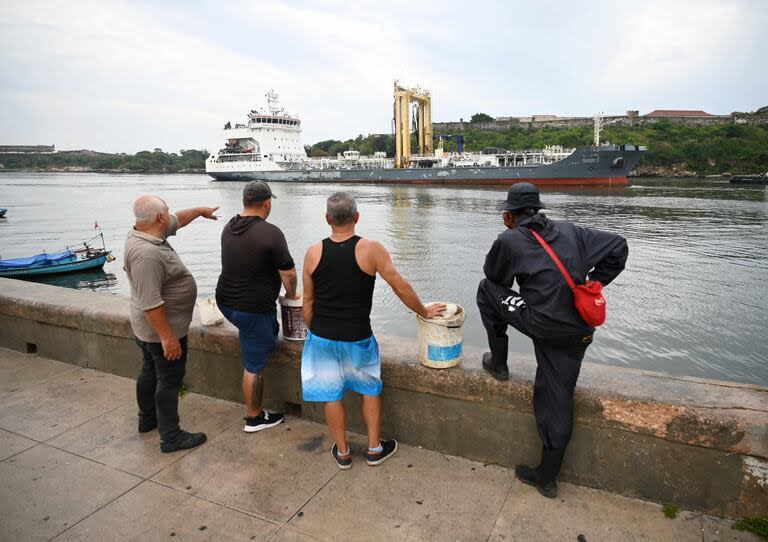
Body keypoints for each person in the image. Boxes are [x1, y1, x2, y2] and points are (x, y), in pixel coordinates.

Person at [476, 183, 628, 498]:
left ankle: (499, 362)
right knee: (557, 396)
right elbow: (618, 246)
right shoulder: (572, 231)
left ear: (509, 216)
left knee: (485, 290)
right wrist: (591, 284)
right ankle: (547, 475)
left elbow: (495, 278)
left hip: (543, 325)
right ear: (539, 210)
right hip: (579, 330)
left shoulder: (510, 239)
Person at [301, 192, 445, 470]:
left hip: (321, 337)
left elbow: (308, 301)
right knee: (369, 390)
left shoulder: (313, 252)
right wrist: (423, 311)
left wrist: (315, 332)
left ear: (327, 218)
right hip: (358, 336)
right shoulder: (371, 249)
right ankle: (374, 449)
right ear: (357, 217)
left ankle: (342, 453)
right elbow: (399, 285)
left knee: (331, 395)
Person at [124, 195, 219, 453]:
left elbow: (179, 220)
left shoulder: (144, 232)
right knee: (168, 380)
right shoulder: (147, 254)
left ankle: (147, 419)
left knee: (150, 371)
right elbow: (151, 302)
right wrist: (167, 337)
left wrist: (201, 210)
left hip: (146, 329)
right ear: (158, 217)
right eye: (166, 210)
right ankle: (171, 436)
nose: (170, 214)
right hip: (160, 330)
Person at [216, 181, 299, 433]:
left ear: (244, 201)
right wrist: (292, 294)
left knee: (260, 336)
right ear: (267, 203)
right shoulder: (271, 233)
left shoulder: (228, 227)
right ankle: (254, 417)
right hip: (251, 308)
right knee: (254, 364)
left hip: (226, 301)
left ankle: (258, 339)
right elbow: (289, 274)